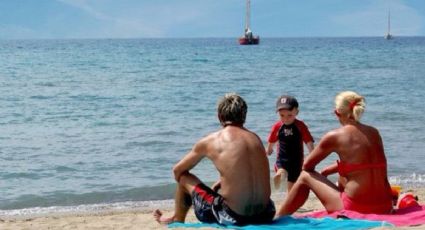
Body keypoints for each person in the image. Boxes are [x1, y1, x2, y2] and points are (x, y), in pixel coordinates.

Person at [153, 93, 275, 226]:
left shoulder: (212, 140)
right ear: (244, 115)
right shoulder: (255, 138)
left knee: (183, 177)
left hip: (234, 217)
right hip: (266, 214)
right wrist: (222, 183)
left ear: (219, 116)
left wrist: (191, 196)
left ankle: (177, 218)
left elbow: (177, 171)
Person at [275, 91, 393, 217]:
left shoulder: (335, 136)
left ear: (337, 113)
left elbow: (307, 166)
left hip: (357, 209)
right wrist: (328, 170)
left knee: (305, 176)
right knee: (342, 177)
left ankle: (279, 217)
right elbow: (364, 164)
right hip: (386, 205)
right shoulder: (374, 132)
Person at [266, 95, 314, 191]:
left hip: (288, 159)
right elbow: (308, 142)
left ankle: (281, 174)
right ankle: (289, 199)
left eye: (289, 115)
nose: (286, 118)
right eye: (282, 116)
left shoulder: (282, 126)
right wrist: (312, 154)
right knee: (291, 181)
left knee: (285, 172)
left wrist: (269, 150)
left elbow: (272, 140)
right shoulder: (299, 125)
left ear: (296, 112)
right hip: (293, 160)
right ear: (278, 114)